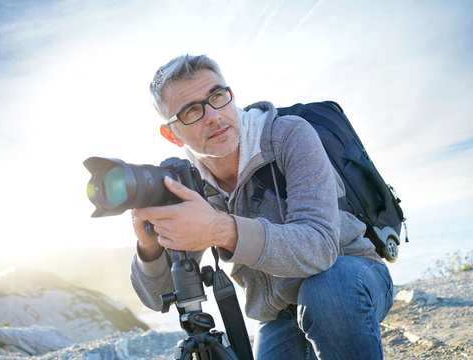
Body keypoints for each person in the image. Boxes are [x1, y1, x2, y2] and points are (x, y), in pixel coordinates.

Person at [130, 54, 394, 360]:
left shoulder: (288, 136)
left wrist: (220, 230)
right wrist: (149, 247)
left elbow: (320, 248)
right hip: (279, 315)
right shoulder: (186, 185)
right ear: (171, 134)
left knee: (329, 291)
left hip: (352, 278)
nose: (213, 116)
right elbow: (159, 296)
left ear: (231, 96)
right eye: (191, 111)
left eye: (217, 96)